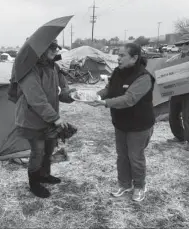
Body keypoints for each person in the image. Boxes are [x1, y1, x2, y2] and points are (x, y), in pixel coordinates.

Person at [89, 43, 155, 202]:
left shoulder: (144, 77)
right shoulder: (117, 72)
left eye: (122, 55)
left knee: (135, 157)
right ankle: (125, 184)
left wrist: (106, 103)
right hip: (120, 123)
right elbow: (109, 88)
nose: (117, 58)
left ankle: (139, 186)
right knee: (122, 156)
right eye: (117, 55)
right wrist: (97, 95)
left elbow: (129, 99)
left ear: (134, 58)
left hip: (139, 125)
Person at [15, 39, 76, 198]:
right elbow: (36, 99)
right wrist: (55, 118)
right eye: (51, 47)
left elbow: (62, 93)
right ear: (41, 49)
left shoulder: (54, 67)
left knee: (49, 149)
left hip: (49, 118)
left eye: (57, 47)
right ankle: (34, 183)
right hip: (31, 119)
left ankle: (44, 175)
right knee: (38, 151)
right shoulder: (29, 70)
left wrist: (72, 95)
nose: (55, 50)